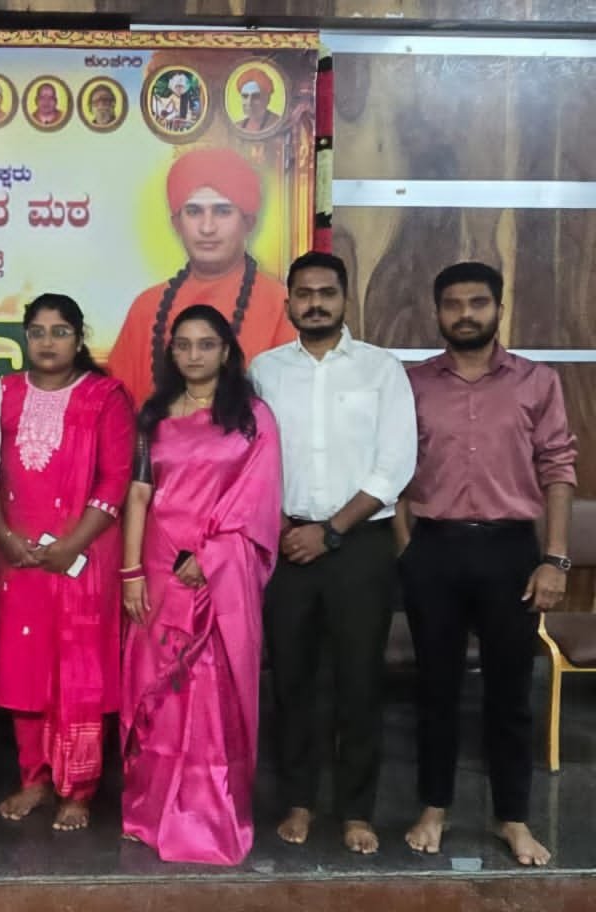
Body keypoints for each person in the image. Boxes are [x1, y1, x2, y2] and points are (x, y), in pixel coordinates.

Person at [397, 261, 575, 868]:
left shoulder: (537, 381)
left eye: (477, 303)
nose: (465, 314)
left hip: (510, 553)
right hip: (435, 549)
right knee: (435, 689)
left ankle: (513, 817)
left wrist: (554, 560)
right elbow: (392, 470)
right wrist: (406, 549)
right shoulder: (413, 384)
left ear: (499, 308)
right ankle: (434, 807)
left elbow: (558, 469)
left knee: (510, 693)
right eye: (453, 304)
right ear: (437, 312)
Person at [249, 252, 416, 855]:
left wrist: (332, 529)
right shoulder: (265, 371)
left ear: (346, 299)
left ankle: (356, 810)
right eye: (304, 293)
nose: (315, 302)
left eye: (326, 292)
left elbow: (395, 464)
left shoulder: (380, 368)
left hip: (359, 544)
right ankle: (298, 800)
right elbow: (252, 460)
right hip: (286, 542)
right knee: (291, 679)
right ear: (289, 302)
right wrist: (287, 528)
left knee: (359, 681)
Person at [119, 304, 281, 865]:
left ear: (226, 351)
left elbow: (258, 496)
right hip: (160, 570)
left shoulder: (252, 418)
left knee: (213, 697)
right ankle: (151, 810)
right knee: (160, 695)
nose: (193, 355)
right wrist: (132, 572)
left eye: (206, 344)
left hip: (220, 575)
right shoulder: (154, 414)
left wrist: (211, 555)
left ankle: (210, 815)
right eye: (183, 344)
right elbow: (139, 493)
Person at [0, 294, 134, 833]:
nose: (48, 342)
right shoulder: (2, 393)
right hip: (14, 553)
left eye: (60, 331)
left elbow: (116, 478)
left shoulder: (104, 397)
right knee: (24, 664)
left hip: (83, 556)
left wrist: (72, 544)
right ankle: (35, 778)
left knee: (77, 671)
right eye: (38, 331)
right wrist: (2, 536)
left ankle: (78, 787)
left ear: (79, 337)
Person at [107, 147, 294, 404]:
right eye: (194, 212)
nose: (207, 228)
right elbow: (117, 408)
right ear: (176, 224)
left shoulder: (280, 305)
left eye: (222, 211)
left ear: (248, 222)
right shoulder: (147, 308)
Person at [234, 68, 282, 133]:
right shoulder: (238, 126)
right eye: (245, 96)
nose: (249, 102)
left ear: (267, 99)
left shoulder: (278, 123)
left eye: (255, 97)